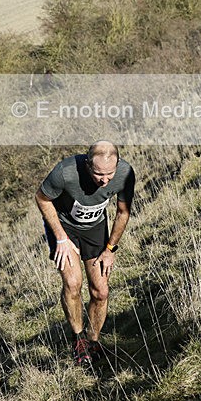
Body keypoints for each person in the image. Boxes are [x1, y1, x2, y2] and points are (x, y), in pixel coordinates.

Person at [35, 141, 135, 365]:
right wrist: (61, 238)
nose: (105, 180)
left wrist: (110, 249)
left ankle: (93, 341)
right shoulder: (65, 171)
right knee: (72, 283)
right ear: (88, 165)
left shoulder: (125, 173)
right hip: (64, 228)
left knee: (100, 290)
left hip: (96, 230)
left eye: (110, 174)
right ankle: (78, 339)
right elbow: (42, 198)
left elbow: (122, 212)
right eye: (99, 174)